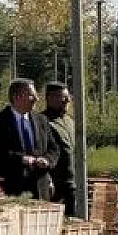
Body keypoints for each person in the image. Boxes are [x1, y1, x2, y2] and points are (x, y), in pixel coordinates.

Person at [0, 78, 58, 200]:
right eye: (31, 95)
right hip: (12, 188)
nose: (36, 99)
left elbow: (53, 148)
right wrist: (22, 159)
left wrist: (47, 160)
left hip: (40, 188)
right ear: (17, 97)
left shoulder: (42, 120)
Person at [42, 82, 77, 214]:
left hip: (73, 183)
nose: (67, 100)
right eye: (63, 97)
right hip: (58, 185)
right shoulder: (43, 122)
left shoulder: (70, 121)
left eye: (68, 97)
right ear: (50, 98)